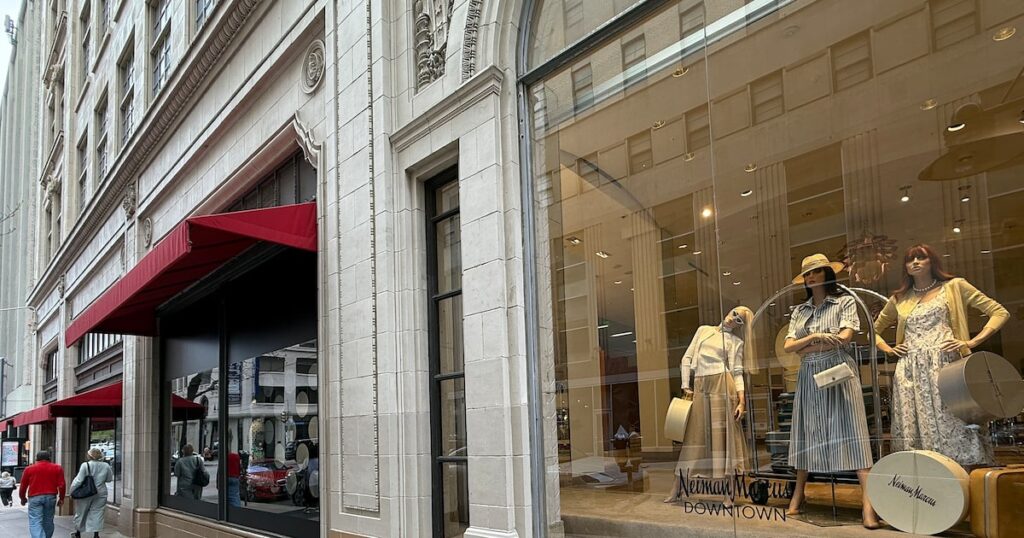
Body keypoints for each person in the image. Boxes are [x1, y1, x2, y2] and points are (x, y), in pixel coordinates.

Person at [873, 244, 1008, 467]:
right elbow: (874, 330)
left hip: (945, 363)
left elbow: (999, 312)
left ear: (932, 262)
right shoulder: (900, 298)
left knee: (952, 417)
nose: (915, 262)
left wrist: (971, 342)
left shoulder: (954, 286)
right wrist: (888, 349)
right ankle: (925, 472)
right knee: (912, 419)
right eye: (910, 259)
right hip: (910, 368)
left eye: (921, 258)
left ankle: (964, 470)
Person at [783, 254, 879, 529]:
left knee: (853, 430)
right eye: (807, 274)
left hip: (838, 370)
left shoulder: (843, 302)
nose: (811, 277)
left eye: (816, 271)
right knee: (806, 431)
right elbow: (789, 346)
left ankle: (869, 506)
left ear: (827, 273)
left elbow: (845, 338)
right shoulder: (800, 311)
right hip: (809, 374)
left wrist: (806, 346)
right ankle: (798, 495)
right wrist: (815, 337)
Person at [665, 307, 755, 504]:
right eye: (734, 314)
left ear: (741, 326)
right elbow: (686, 358)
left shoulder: (736, 342)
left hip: (723, 384)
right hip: (700, 386)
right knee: (694, 437)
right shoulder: (704, 330)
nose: (733, 319)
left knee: (726, 439)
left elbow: (737, 372)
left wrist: (742, 401)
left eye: (739, 320)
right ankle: (677, 487)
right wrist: (685, 384)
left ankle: (729, 493)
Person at [18, 450, 66, 538]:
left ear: (36, 458)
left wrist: (23, 498)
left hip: (34, 497)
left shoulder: (29, 469)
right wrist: (61, 498)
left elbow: (23, 485)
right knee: (48, 521)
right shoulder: (57, 468)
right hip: (51, 496)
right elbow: (62, 485)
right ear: (49, 458)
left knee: (35, 521)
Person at [70, 448, 113, 538]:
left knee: (81, 512)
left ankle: (78, 533)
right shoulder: (106, 465)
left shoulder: (85, 465)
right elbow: (109, 479)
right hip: (101, 492)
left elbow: (78, 480)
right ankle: (96, 534)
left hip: (86, 492)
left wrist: (72, 491)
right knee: (98, 512)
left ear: (89, 456)